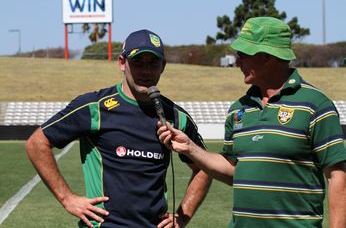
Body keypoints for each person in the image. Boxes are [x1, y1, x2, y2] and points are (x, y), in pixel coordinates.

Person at [157, 17, 346, 227]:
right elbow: (232, 171)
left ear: (267, 56)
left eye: (243, 55)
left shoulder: (316, 105)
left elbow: (337, 176)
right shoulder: (238, 109)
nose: (237, 62)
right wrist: (191, 149)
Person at [25, 29, 212, 228]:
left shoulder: (175, 116)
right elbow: (37, 143)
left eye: (153, 63)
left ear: (163, 66)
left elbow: (205, 167)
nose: (146, 71)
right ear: (122, 63)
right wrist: (67, 199)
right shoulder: (94, 107)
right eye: (138, 62)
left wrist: (182, 217)